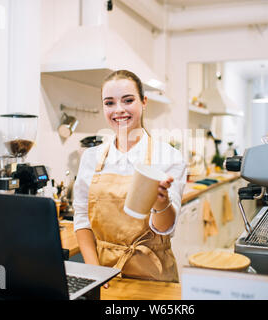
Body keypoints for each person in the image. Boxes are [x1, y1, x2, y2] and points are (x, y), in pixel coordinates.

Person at [72, 70, 186, 285]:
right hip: (103, 274)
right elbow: (82, 219)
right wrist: (95, 272)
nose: (119, 110)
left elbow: (164, 227)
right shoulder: (91, 158)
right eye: (109, 103)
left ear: (144, 102)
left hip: (153, 275)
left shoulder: (169, 157)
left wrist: (161, 201)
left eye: (128, 100)